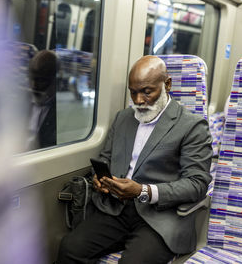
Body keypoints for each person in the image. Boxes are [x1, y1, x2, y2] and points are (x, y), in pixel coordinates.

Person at [57, 55, 213, 263]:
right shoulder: (123, 118)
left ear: (167, 85)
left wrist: (143, 191)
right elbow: (105, 158)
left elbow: (197, 184)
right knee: (69, 248)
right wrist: (99, 180)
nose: (139, 100)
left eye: (147, 92)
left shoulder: (192, 126)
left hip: (160, 217)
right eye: (133, 92)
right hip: (116, 209)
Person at [26, 50, 58, 150]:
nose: (34, 86)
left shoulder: (59, 112)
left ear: (54, 82)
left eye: (40, 80)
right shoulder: (21, 103)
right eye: (32, 79)